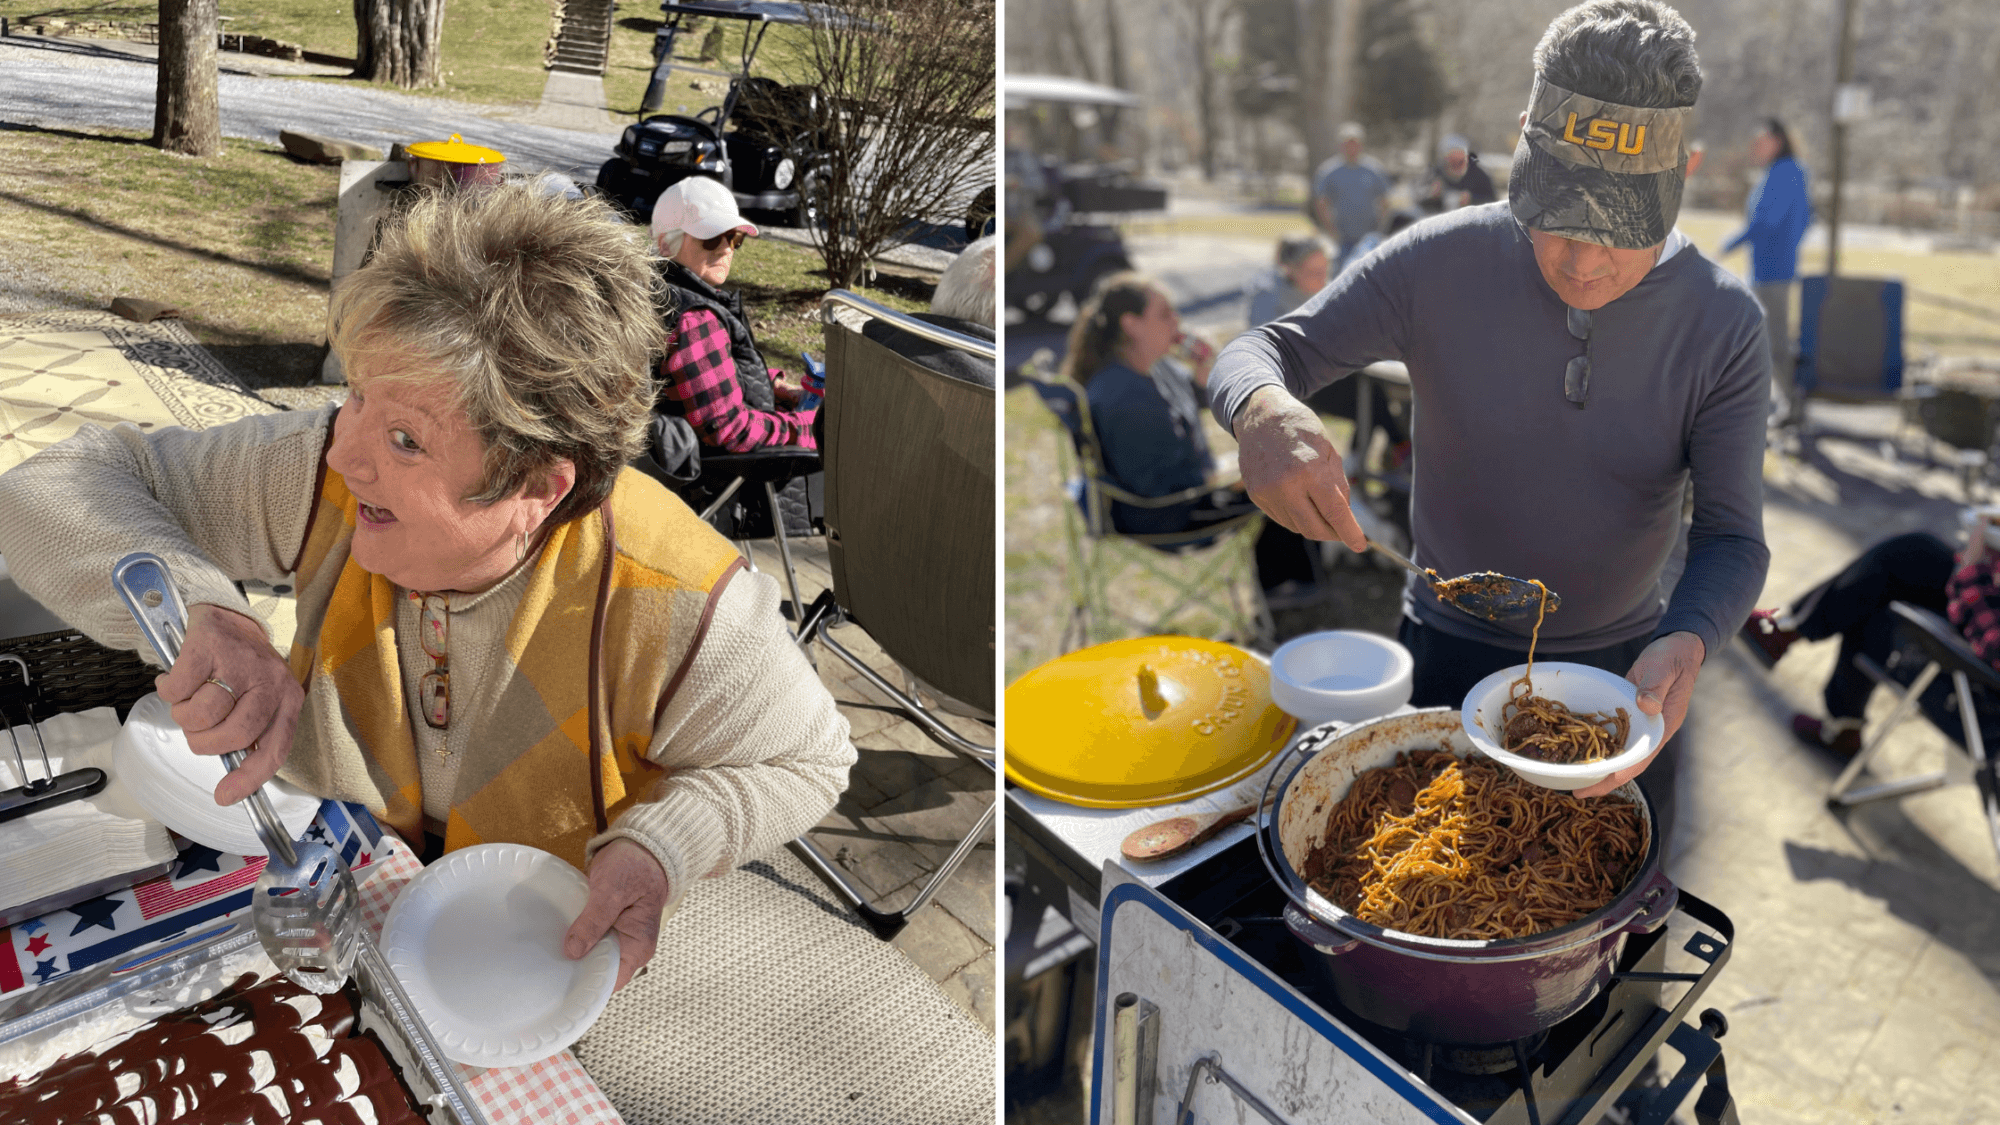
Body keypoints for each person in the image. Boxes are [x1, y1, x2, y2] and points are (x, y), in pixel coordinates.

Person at [0, 183, 855, 992]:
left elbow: (809, 757)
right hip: (329, 885)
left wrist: (667, 842)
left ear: (538, 489)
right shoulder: (319, 469)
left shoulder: (676, 594)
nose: (346, 453)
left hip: (533, 949)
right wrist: (195, 608)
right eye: (361, 395)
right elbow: (53, 486)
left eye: (406, 437)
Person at [1207, 0, 1772, 832]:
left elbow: (1731, 535)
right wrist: (1261, 411)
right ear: (1522, 144)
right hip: (1444, 652)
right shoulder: (1437, 261)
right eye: (1557, 218)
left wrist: (1688, 638)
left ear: (1682, 173)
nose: (1582, 263)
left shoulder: (1723, 323)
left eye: (1619, 231)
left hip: (1624, 679)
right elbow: (1263, 350)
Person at [1065, 273, 1322, 605]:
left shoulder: (1152, 368)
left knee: (1279, 465)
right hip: (1164, 516)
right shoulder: (1124, 397)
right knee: (1289, 476)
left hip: (1163, 499)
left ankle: (1284, 578)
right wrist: (1233, 478)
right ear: (1132, 325)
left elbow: (1189, 401)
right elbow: (1163, 482)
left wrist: (1204, 375)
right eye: (1164, 314)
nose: (1177, 321)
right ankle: (1288, 585)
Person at [1743, 519, 2000, 756]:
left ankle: (1784, 635)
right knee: (1911, 555)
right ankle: (1841, 724)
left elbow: (1994, 645)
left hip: (1987, 693)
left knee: (1883, 593)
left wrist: (1971, 570)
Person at [652, 177, 818, 454]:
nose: (727, 248)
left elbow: (707, 370)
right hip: (732, 480)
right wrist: (808, 429)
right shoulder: (693, 319)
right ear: (666, 245)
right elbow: (729, 430)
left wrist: (773, 385)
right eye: (710, 238)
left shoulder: (656, 290)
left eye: (734, 238)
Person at [1720, 118, 1811, 424]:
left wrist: (1730, 244)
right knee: (1756, 337)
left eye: (1760, 141)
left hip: (1773, 268)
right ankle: (1764, 401)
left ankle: (1793, 406)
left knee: (1773, 341)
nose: (1755, 147)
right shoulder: (1780, 171)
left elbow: (1768, 221)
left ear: (1777, 140)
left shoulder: (1787, 172)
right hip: (1765, 266)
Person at [1311, 122, 1393, 260]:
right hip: (1342, 238)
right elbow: (1321, 202)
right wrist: (1331, 230)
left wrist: (1380, 228)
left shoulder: (1374, 169)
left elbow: (1385, 200)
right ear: (1341, 146)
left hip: (1369, 236)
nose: (1351, 147)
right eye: (1347, 143)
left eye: (1355, 143)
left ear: (1361, 144)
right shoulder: (1329, 171)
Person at [1245, 234, 1334, 327]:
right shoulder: (1267, 299)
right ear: (1291, 270)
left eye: (1326, 270)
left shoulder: (1327, 293)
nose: (1323, 278)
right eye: (1313, 273)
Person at [1418, 135, 1498, 215]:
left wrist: (1472, 199)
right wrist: (1431, 195)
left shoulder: (1480, 176)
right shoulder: (1435, 173)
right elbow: (1417, 200)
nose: (1456, 163)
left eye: (1460, 160)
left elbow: (1494, 203)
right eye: (1452, 159)